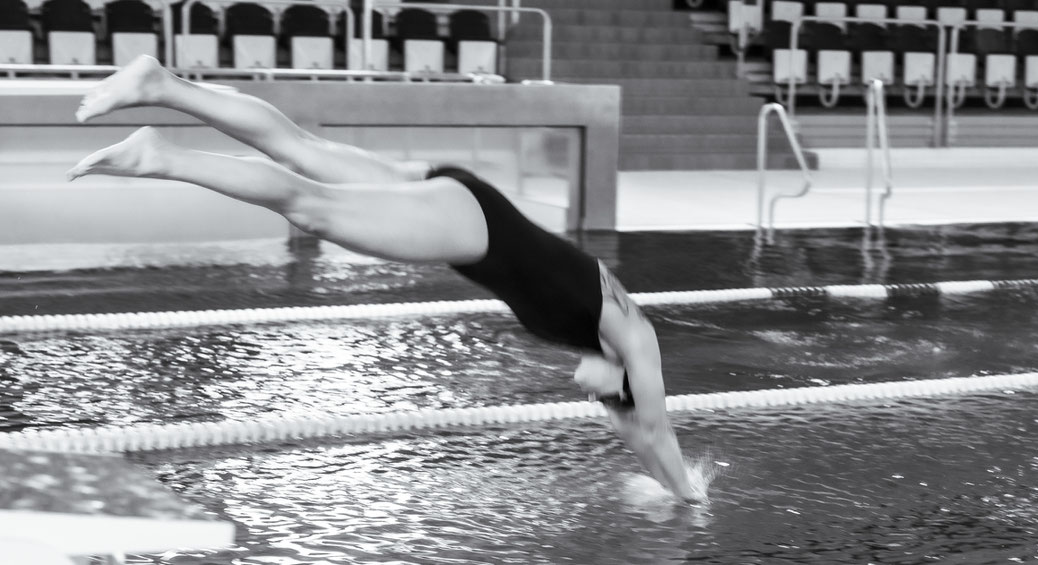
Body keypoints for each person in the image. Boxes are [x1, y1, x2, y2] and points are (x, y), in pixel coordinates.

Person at [68, 55, 706, 503]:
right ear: (625, 379)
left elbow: (639, 438)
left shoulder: (602, 352)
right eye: (604, 390)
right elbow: (658, 432)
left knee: (298, 148)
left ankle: (164, 85)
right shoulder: (636, 340)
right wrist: (691, 499)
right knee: (309, 204)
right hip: (474, 225)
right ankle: (164, 157)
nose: (582, 384)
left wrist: (663, 479)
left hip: (463, 203)